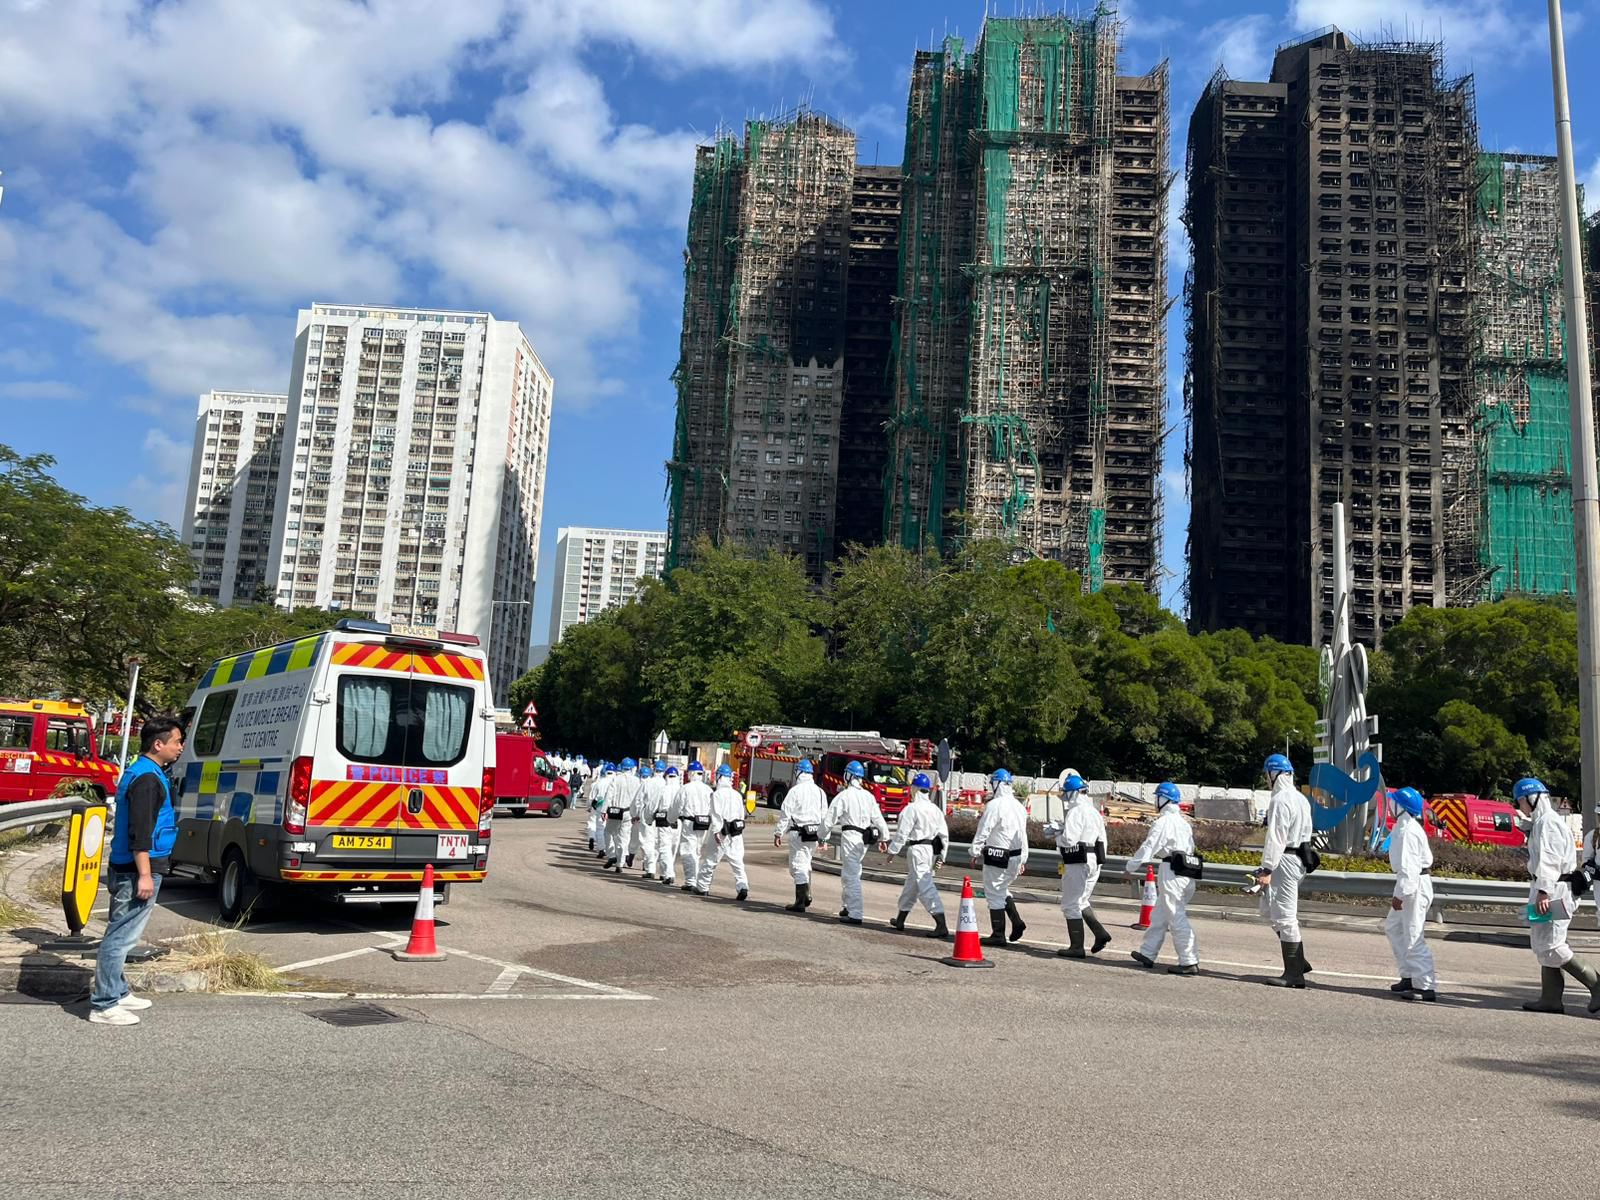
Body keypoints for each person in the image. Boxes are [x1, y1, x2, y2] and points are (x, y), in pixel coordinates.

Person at [89, 716, 185, 1025]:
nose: (181, 747)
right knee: (120, 936)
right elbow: (140, 832)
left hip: (131, 866)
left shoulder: (144, 771)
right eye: (177, 742)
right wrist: (144, 874)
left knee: (123, 933)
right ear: (158, 744)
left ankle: (117, 991)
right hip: (137, 869)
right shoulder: (147, 780)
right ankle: (104, 1004)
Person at [1512, 777, 1600, 1014]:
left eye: (1521, 801)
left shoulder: (1548, 824)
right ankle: (1550, 999)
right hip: (1548, 888)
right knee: (1542, 943)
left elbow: (1550, 860)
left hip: (1553, 890)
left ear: (1532, 798)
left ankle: (1596, 984)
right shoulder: (1542, 823)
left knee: (1552, 944)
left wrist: (1543, 891)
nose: (1520, 806)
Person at [1126, 781, 1201, 975]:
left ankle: (1189, 960)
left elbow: (1149, 846)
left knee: (1175, 915)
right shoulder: (1184, 823)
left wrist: (1131, 866)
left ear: (1163, 799)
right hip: (1187, 871)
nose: (1155, 801)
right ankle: (1148, 952)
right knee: (1160, 914)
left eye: (1157, 798)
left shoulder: (1163, 822)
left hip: (1171, 870)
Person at [1255, 753, 1314, 988]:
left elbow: (1276, 837)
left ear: (1273, 774)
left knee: (1285, 917)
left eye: (1267, 775)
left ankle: (1294, 973)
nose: (1266, 779)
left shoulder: (1280, 800)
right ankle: (1298, 960)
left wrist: (1267, 868)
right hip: (1296, 858)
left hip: (1284, 860)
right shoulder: (1300, 798)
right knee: (1268, 910)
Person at [1049, 773, 1111, 958]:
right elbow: (1103, 840)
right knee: (1082, 900)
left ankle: (1076, 947)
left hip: (1078, 860)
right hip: (1094, 860)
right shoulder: (1094, 811)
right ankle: (1100, 933)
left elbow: (1069, 840)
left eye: (1066, 793)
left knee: (1070, 904)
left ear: (1073, 793)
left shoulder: (1075, 811)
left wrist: (1056, 835)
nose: (1065, 797)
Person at [1385, 786, 1437, 1002]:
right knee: (1394, 927)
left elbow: (1409, 869)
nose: (1390, 805)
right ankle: (1409, 975)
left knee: (1414, 935)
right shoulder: (1403, 827)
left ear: (1402, 807)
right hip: (1412, 883)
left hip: (1413, 885)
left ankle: (1425, 986)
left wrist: (1400, 895)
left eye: (1394, 802)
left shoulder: (1407, 832)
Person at [821, 760, 889, 925]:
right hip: (864, 840)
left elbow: (829, 820)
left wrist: (821, 835)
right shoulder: (869, 796)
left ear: (849, 776)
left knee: (851, 876)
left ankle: (856, 913)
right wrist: (884, 837)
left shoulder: (844, 796)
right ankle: (847, 906)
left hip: (851, 837)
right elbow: (878, 819)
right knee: (851, 872)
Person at [970, 768, 1030, 947]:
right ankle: (1016, 922)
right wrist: (1023, 858)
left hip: (998, 856)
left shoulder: (994, 805)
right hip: (1015, 856)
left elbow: (984, 830)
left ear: (996, 784)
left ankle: (998, 934)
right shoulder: (1019, 806)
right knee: (1001, 889)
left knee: (993, 893)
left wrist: (975, 851)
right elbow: (1023, 835)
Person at [887, 773, 950, 938]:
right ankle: (900, 919)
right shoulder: (935, 810)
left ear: (914, 789)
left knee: (924, 884)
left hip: (917, 849)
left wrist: (892, 851)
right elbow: (944, 835)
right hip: (930, 851)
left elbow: (902, 833)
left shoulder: (911, 809)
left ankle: (941, 923)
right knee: (912, 885)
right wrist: (942, 855)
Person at [774, 758, 827, 913]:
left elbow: (785, 813)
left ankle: (800, 901)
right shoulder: (820, 792)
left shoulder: (795, 791)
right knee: (805, 863)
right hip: (814, 834)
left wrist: (778, 833)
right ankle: (807, 894)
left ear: (798, 772)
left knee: (797, 866)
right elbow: (825, 816)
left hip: (799, 834)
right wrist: (824, 837)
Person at [694, 764, 749, 900]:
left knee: (711, 861)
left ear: (719, 777)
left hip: (722, 832)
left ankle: (702, 887)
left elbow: (716, 815)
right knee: (737, 862)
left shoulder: (717, 795)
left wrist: (716, 831)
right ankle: (742, 886)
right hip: (735, 832)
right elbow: (741, 815)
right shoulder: (737, 795)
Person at [673, 761, 714, 892]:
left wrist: (671, 819)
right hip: (704, 823)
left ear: (690, 773)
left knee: (687, 851)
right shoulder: (708, 790)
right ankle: (697, 880)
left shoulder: (685, 788)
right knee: (697, 852)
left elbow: (676, 806)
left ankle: (691, 881)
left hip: (689, 823)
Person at [604, 757, 640, 873]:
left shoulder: (616, 779)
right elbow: (638, 799)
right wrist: (636, 814)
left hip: (615, 811)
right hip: (628, 812)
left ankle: (612, 855)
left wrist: (604, 811)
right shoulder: (636, 781)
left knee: (609, 833)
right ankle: (620, 863)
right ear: (632, 768)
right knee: (624, 838)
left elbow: (608, 796)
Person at [633, 765, 665, 880]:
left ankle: (650, 868)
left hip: (647, 814)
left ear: (654, 770)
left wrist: (635, 814)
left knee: (647, 841)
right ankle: (664, 871)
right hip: (663, 817)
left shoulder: (647, 783)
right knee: (661, 843)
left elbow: (638, 800)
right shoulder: (666, 784)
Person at [653, 766, 682, 885]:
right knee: (673, 848)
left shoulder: (663, 789)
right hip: (678, 821)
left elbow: (653, 805)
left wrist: (649, 818)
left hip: (663, 819)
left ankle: (668, 873)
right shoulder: (681, 790)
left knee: (664, 847)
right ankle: (665, 872)